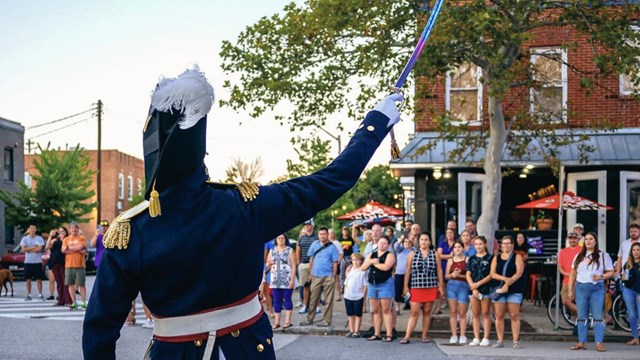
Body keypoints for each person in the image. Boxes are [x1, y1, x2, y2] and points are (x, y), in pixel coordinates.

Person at [82, 67, 403, 359]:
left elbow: (99, 332)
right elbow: (329, 181)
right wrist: (374, 125)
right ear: (200, 153)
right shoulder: (245, 206)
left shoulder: (132, 231)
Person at [568, 232, 614, 352]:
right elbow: (573, 274)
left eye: (591, 239)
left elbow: (611, 272)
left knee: (598, 316)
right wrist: (570, 290)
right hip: (581, 287)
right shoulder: (579, 256)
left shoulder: (603, 255)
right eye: (586, 239)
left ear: (595, 241)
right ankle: (581, 342)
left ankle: (599, 342)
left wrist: (601, 277)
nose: (588, 241)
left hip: (597, 288)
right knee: (582, 316)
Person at [401, 231, 444, 344]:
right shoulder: (412, 254)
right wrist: (405, 286)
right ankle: (407, 336)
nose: (423, 242)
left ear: (430, 242)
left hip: (431, 286)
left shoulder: (435, 254)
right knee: (414, 312)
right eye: (421, 239)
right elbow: (408, 270)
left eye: (426, 239)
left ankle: (425, 335)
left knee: (427, 311)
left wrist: (441, 286)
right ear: (418, 241)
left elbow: (439, 270)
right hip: (416, 286)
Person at [490, 235, 525, 349]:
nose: (505, 245)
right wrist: (505, 280)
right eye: (503, 243)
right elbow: (493, 274)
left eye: (508, 243)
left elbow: (519, 273)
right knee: (499, 315)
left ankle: (515, 340)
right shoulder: (497, 258)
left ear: (512, 245)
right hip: (499, 288)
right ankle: (500, 340)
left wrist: (507, 285)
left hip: (514, 289)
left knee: (514, 315)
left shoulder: (517, 257)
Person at [300, 227, 340, 327]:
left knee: (328, 300)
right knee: (313, 299)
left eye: (324, 234)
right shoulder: (314, 244)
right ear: (318, 235)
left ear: (327, 235)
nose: (322, 236)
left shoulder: (332, 246)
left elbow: (335, 262)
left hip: (328, 276)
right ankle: (309, 319)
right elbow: (311, 259)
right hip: (316, 276)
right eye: (320, 234)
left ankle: (326, 321)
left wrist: (333, 276)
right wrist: (310, 274)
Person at [361, 235, 396, 342]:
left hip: (385, 284)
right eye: (381, 242)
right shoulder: (372, 254)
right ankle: (377, 333)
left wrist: (373, 263)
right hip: (372, 284)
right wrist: (371, 261)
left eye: (385, 243)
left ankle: (389, 334)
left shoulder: (390, 255)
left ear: (388, 245)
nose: (382, 244)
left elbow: (386, 267)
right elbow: (363, 267)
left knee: (386, 310)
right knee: (375, 310)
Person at [466, 236, 494, 347]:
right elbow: (468, 274)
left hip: (486, 289)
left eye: (480, 244)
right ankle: (476, 337)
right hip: (473, 290)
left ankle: (486, 337)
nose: (478, 246)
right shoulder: (471, 258)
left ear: (485, 244)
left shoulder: (490, 258)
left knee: (486, 313)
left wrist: (478, 284)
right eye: (476, 244)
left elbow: (491, 275)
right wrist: (473, 287)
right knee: (475, 314)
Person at [266, 234, 296, 330]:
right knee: (276, 300)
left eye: (282, 238)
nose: (281, 240)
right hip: (275, 279)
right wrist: (269, 263)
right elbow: (267, 263)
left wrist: (292, 279)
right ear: (276, 240)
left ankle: (288, 321)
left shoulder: (290, 250)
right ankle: (277, 321)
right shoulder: (272, 250)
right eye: (279, 238)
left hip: (286, 278)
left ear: (285, 240)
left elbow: (294, 265)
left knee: (287, 299)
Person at [445, 241, 470, 344]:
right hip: (451, 286)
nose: (457, 249)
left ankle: (463, 335)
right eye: (455, 247)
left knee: (462, 312)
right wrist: (452, 275)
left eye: (459, 247)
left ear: (463, 248)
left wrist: (459, 275)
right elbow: (446, 276)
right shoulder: (450, 260)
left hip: (463, 286)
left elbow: (469, 276)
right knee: (453, 312)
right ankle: (454, 335)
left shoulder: (467, 259)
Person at [62, 222, 87, 310]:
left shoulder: (82, 238)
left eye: (75, 228)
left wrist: (69, 248)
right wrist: (77, 249)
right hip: (69, 264)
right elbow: (63, 250)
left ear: (78, 229)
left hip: (80, 264)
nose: (73, 230)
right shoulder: (66, 239)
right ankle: (74, 302)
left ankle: (84, 303)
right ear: (69, 229)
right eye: (72, 228)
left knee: (81, 284)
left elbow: (81, 247)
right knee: (70, 284)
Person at [46, 226, 72, 306]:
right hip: (54, 262)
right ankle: (61, 300)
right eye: (59, 231)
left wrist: (62, 239)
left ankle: (68, 301)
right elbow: (47, 247)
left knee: (65, 282)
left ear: (65, 232)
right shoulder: (54, 240)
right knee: (59, 282)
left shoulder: (67, 239)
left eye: (62, 231)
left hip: (64, 262)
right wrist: (50, 236)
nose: (61, 233)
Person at [557, 232, 582, 317]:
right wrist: (568, 274)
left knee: (579, 301)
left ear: (578, 239)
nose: (572, 240)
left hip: (580, 280)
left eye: (574, 238)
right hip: (567, 280)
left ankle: (579, 322)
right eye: (571, 238)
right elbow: (560, 267)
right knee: (565, 300)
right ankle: (582, 313)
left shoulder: (582, 250)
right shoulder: (563, 252)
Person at [297, 219, 318, 314]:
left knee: (316, 286)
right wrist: (299, 263)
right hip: (304, 263)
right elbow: (298, 250)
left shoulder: (317, 237)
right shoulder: (301, 238)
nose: (307, 226)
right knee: (305, 286)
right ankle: (305, 305)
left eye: (308, 225)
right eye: (305, 225)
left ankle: (316, 305)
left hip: (315, 264)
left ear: (312, 226)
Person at [343, 253, 367, 338]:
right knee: (350, 314)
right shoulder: (349, 270)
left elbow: (364, 285)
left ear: (361, 261)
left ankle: (357, 331)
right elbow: (346, 283)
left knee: (358, 314)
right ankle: (351, 330)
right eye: (353, 260)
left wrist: (363, 296)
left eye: (357, 260)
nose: (355, 262)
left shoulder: (362, 271)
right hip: (348, 295)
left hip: (358, 296)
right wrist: (345, 293)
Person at [621, 242, 640, 345]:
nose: (636, 252)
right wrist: (623, 278)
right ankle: (635, 337)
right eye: (634, 250)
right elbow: (624, 278)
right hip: (629, 290)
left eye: (638, 250)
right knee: (632, 315)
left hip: (639, 292)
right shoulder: (628, 264)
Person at [20, 224, 45, 301]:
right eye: (31, 228)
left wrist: (29, 249)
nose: (33, 229)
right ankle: (29, 295)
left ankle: (40, 294)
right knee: (28, 279)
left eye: (34, 228)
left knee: (39, 279)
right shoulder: (24, 239)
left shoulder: (39, 238)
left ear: (36, 229)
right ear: (29, 229)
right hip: (28, 262)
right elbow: (23, 249)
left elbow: (40, 249)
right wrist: (34, 248)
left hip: (37, 262)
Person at [436, 227, 456, 314]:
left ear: (454, 234)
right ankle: (438, 308)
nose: (449, 234)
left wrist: (445, 256)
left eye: (451, 233)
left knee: (451, 288)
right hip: (442, 267)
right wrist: (450, 256)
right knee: (440, 287)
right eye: (447, 233)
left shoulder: (456, 244)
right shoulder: (442, 243)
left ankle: (451, 305)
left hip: (453, 267)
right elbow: (438, 255)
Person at [393, 236, 414, 314]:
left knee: (409, 290)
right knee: (398, 290)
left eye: (409, 242)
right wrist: (401, 239)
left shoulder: (413, 250)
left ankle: (408, 304)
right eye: (405, 242)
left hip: (410, 273)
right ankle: (397, 308)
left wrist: (413, 241)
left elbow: (418, 248)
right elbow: (395, 246)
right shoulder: (400, 250)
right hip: (399, 273)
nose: (407, 243)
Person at [338, 226, 359, 294]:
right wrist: (343, 247)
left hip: (349, 257)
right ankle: (342, 286)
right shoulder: (339, 239)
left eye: (346, 230)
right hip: (342, 257)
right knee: (342, 272)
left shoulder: (351, 239)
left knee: (350, 271)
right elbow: (338, 249)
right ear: (342, 231)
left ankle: (350, 285)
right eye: (344, 230)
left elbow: (354, 247)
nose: (345, 231)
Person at [328, 228, 345, 301]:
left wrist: (338, 261)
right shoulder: (325, 242)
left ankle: (338, 295)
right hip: (327, 263)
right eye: (329, 233)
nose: (330, 235)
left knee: (336, 279)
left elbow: (341, 253)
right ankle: (329, 296)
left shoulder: (336, 242)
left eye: (332, 233)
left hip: (335, 263)